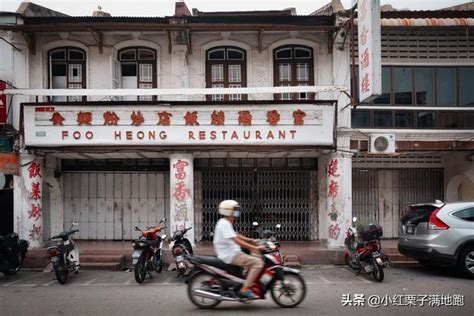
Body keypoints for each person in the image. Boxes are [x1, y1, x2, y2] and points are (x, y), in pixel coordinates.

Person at [213, 199, 265, 300]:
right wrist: (255, 247)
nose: (237, 211)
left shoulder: (225, 222)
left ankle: (244, 281)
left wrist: (252, 240)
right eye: (235, 209)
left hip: (231, 252)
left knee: (252, 255)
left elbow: (236, 235)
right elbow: (237, 240)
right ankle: (244, 289)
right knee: (258, 262)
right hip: (230, 255)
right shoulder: (224, 224)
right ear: (228, 211)